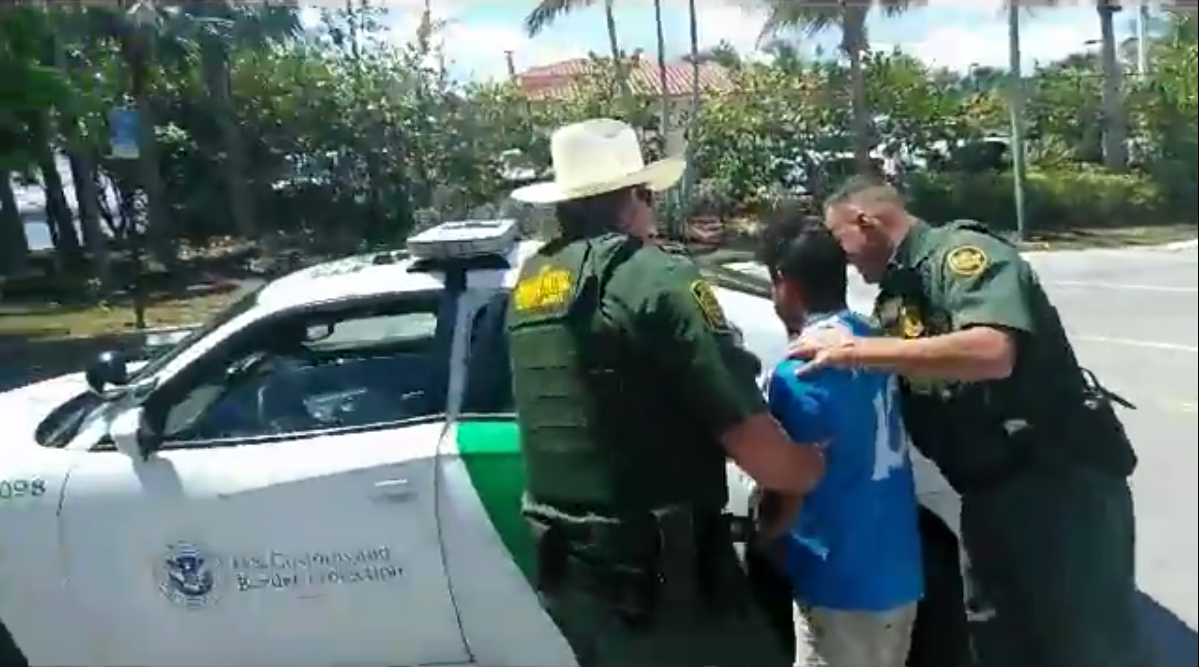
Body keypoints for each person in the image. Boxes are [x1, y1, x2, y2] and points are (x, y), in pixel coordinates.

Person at [504, 118, 826, 666]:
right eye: (649, 196)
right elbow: (762, 453)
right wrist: (808, 469)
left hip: (572, 573)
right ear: (635, 198)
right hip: (659, 584)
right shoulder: (653, 279)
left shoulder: (532, 282)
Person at [792, 175, 1147, 667]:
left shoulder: (962, 257)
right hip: (987, 494)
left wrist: (856, 353)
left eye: (841, 240)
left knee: (1084, 643)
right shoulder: (897, 295)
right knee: (999, 640)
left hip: (1057, 485)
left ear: (865, 222)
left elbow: (992, 350)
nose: (843, 257)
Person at [755, 208, 923, 667]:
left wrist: (764, 532)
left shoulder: (800, 371)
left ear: (784, 282)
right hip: (898, 568)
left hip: (838, 580)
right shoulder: (872, 338)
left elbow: (791, 485)